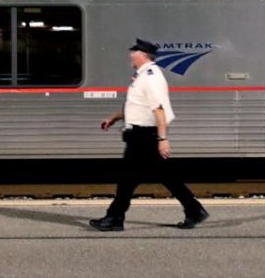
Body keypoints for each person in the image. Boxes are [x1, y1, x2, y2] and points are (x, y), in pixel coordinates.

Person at [89, 39, 210, 231]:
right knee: (153, 178)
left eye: (134, 51)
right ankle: (194, 210)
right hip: (139, 136)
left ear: (142, 55)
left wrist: (162, 139)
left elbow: (159, 109)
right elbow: (138, 106)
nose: (130, 54)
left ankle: (115, 218)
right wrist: (115, 117)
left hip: (144, 137)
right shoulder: (142, 76)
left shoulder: (151, 77)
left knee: (129, 181)